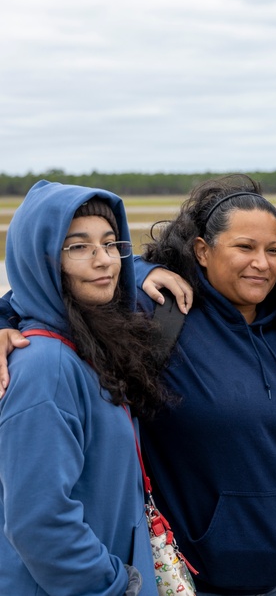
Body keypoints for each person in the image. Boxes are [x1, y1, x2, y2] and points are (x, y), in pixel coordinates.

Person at [133, 175, 276, 596]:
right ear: (202, 251)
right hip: (198, 576)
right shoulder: (163, 319)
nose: (262, 263)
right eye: (245, 247)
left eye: (272, 250)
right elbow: (55, 292)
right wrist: (139, 270)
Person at [0, 181, 161, 595]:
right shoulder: (45, 367)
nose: (103, 260)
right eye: (78, 247)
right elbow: (39, 521)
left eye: (110, 243)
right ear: (41, 261)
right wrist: (115, 584)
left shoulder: (89, 346)